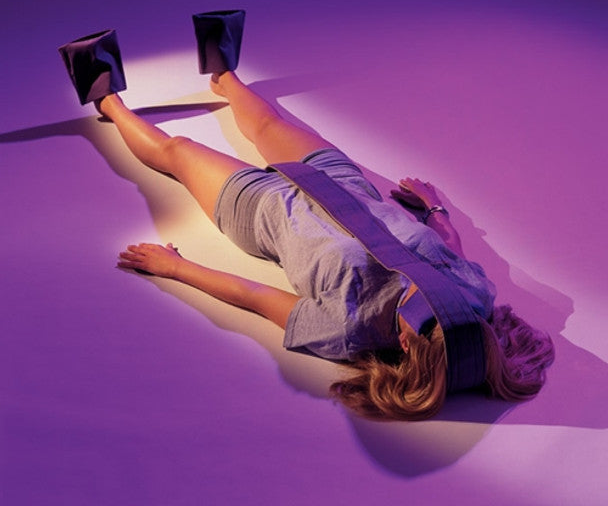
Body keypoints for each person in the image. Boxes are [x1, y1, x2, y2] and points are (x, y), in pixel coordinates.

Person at [88, 70, 554, 420]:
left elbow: (253, 296)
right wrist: (434, 209)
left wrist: (176, 269)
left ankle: (106, 99)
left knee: (178, 150)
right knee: (268, 123)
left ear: (404, 343)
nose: (429, 287)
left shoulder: (349, 328)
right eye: (445, 293)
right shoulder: (472, 297)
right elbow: (450, 249)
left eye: (423, 304)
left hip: (264, 208)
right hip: (340, 179)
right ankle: (222, 73)